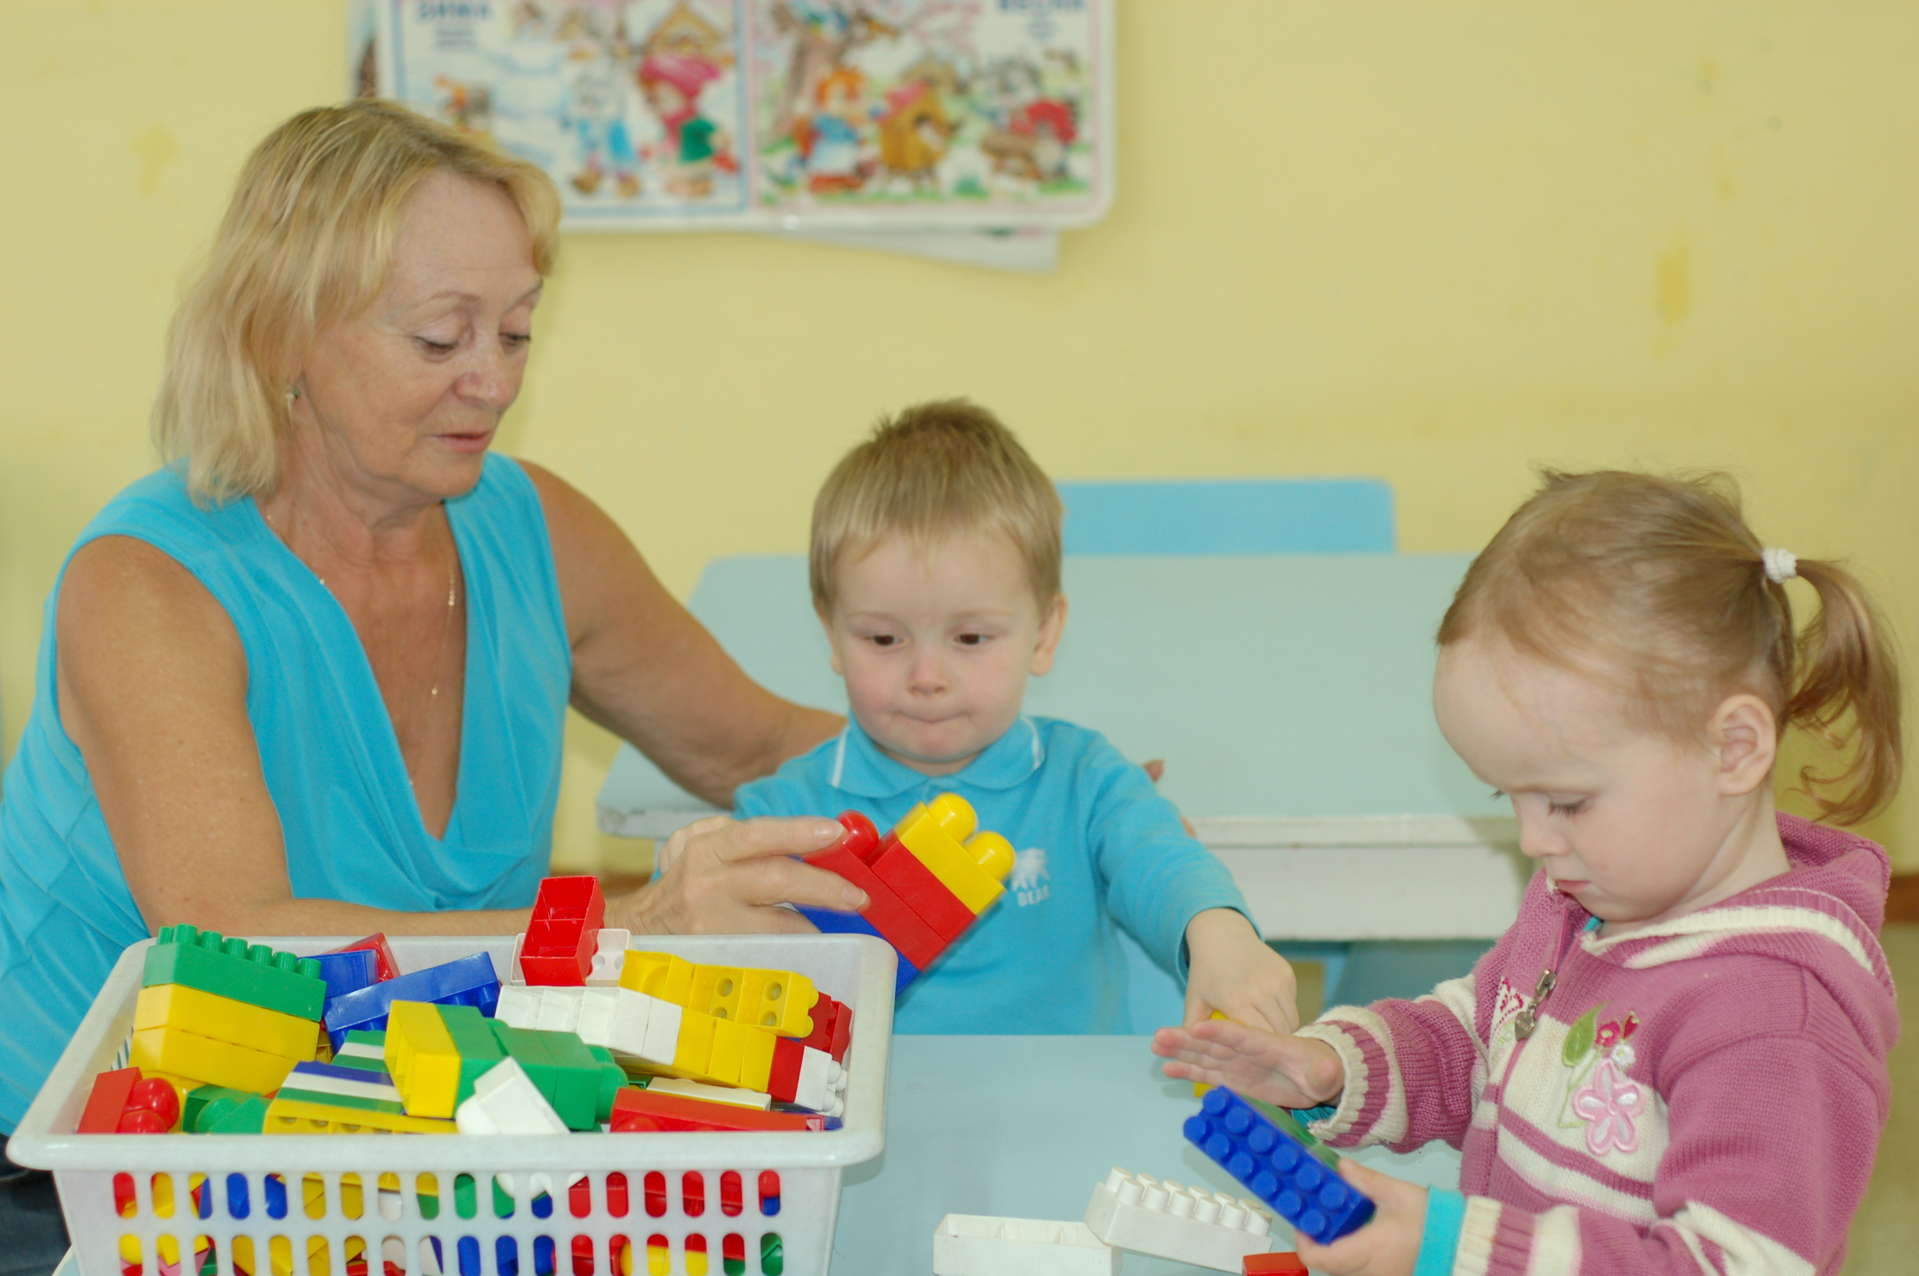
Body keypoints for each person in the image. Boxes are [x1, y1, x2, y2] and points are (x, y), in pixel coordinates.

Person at [0, 99, 873, 1243]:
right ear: (281, 333)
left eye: (514, 332)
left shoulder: (529, 528)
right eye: (439, 339)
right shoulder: (147, 586)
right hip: (86, 1179)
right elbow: (242, 934)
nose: (492, 381)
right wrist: (641, 926)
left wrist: (1005, 776)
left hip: (397, 1147)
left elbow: (755, 745)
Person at [1154, 469, 1902, 1274]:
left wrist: (1453, 1245)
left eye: (1566, 801)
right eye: (1508, 796)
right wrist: (1334, 1069)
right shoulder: (1586, 895)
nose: (1533, 840)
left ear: (1732, 749)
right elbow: (1483, 1041)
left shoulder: (1772, 1018)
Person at [732, 400, 1299, 1033]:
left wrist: (1220, 933)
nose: (927, 676)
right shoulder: (781, 818)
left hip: (1068, 1091)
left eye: (971, 638)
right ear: (831, 634)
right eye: (884, 639)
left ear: (1045, 633)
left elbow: (1160, 861)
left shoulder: (1084, 779)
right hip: (865, 1094)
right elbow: (709, 940)